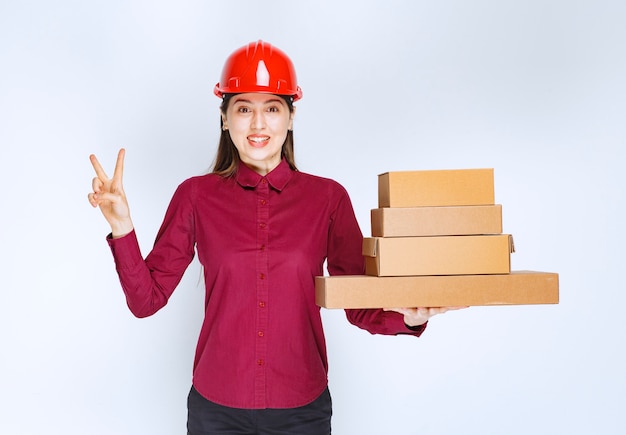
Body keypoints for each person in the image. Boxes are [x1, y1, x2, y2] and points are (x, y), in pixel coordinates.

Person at [88, 40, 461, 435]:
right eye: (244, 108)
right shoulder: (195, 196)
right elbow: (146, 301)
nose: (258, 124)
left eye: (272, 108)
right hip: (216, 411)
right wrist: (122, 225)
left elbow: (357, 303)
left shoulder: (328, 199)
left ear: (291, 116)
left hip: (302, 411)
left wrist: (407, 317)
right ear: (224, 118)